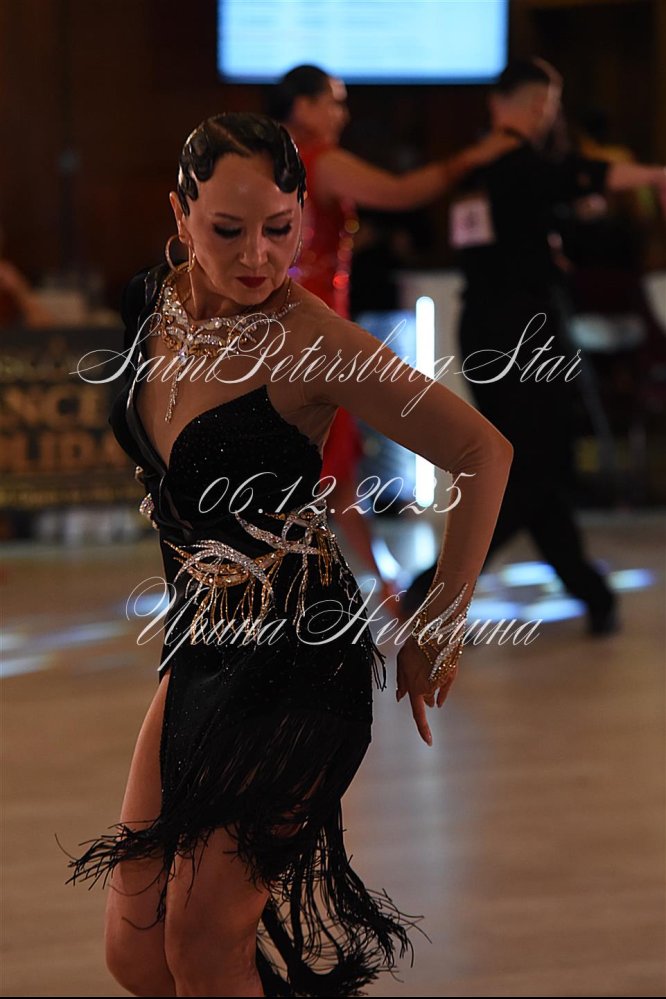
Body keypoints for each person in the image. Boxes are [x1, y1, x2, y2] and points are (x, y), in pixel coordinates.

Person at [59, 112, 512, 997]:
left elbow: (482, 450)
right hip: (200, 646)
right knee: (137, 953)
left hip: (299, 658)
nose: (258, 256)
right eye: (228, 230)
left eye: (279, 228)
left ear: (304, 214)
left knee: (202, 942)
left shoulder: (311, 340)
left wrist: (439, 621)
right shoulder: (151, 304)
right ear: (181, 216)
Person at [401, 58, 666, 636]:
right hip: (523, 335)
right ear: (530, 104)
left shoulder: (477, 167)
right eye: (545, 105)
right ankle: (432, 591)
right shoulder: (517, 164)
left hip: (490, 329)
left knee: (533, 467)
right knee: (530, 471)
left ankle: (592, 594)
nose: (546, 117)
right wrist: (651, 175)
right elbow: (576, 175)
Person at [270, 65, 517, 613]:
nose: (342, 113)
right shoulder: (318, 159)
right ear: (303, 106)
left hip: (284, 327)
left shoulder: (268, 160)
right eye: (334, 101)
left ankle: (377, 591)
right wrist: (469, 159)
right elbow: (400, 192)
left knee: (320, 467)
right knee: (329, 466)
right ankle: (381, 593)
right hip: (314, 331)